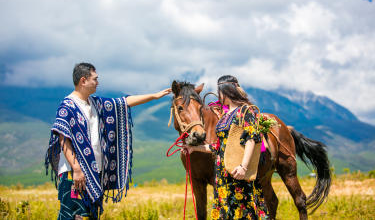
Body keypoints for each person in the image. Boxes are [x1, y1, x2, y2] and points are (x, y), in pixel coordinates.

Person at [45, 63, 171, 219]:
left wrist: (155, 96)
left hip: (94, 171)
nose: (98, 83)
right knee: (73, 216)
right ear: (83, 80)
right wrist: (76, 168)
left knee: (90, 215)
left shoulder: (96, 103)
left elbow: (125, 102)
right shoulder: (67, 106)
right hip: (73, 172)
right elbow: (64, 140)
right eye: (95, 79)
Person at [184, 75, 269, 219]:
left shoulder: (245, 111)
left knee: (243, 210)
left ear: (226, 91)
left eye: (219, 92)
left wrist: (244, 167)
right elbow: (219, 146)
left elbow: (251, 139)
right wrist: (194, 148)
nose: (218, 95)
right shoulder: (224, 116)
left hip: (237, 171)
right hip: (223, 174)